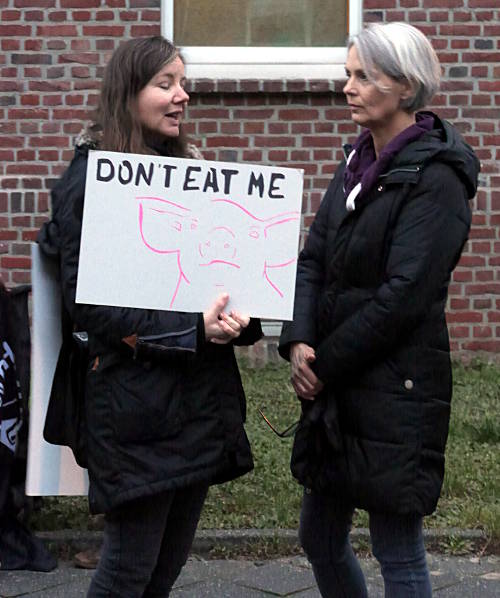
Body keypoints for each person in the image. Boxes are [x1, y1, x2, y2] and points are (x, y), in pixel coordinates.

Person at [38, 36, 262, 597]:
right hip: (134, 410)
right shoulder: (90, 183)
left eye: (183, 83)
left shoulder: (191, 175)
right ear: (128, 93)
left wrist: (245, 318)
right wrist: (193, 330)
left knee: (166, 566)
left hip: (196, 403)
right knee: (128, 571)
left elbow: (224, 283)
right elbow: (90, 305)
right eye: (165, 84)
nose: (181, 96)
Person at [278, 22, 479, 598]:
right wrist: (297, 341)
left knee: (398, 550)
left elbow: (403, 298)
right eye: (348, 74)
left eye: (364, 76)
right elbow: (312, 260)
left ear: (406, 87)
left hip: (397, 392)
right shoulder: (355, 163)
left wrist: (323, 363)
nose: (348, 87)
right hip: (338, 387)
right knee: (319, 536)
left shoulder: (437, 179)